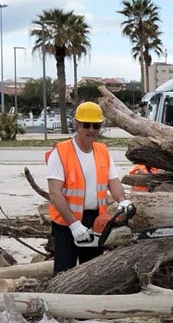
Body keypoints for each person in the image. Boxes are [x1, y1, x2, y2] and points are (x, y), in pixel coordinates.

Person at [45, 101, 132, 275]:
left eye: (96, 125)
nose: (91, 130)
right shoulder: (60, 152)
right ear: (77, 125)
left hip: (96, 220)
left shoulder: (102, 151)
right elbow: (55, 193)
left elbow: (113, 181)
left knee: (92, 272)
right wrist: (74, 224)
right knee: (64, 272)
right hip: (66, 222)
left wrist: (123, 200)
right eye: (86, 125)